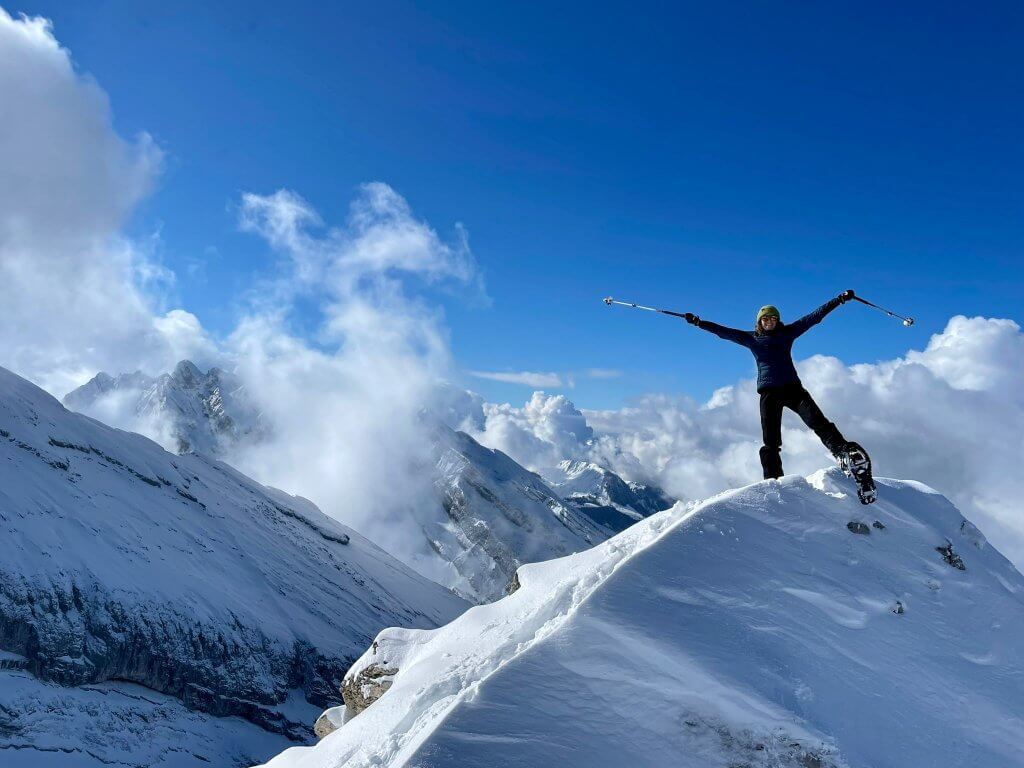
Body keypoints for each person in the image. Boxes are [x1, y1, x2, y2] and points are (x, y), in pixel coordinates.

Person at [683, 291, 858, 480]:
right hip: (769, 394)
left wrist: (838, 300)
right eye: (765, 319)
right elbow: (723, 332)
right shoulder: (751, 338)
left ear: (777, 321)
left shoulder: (787, 333)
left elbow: (814, 317)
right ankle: (773, 480)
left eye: (773, 318)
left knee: (817, 421)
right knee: (771, 441)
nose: (769, 321)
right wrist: (699, 322)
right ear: (760, 322)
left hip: (793, 390)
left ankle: (843, 452)